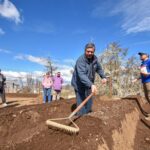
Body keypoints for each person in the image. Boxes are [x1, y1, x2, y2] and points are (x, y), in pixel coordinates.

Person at [71, 43, 107, 116]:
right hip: (79, 84)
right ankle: (81, 117)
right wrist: (91, 85)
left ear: (94, 52)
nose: (90, 53)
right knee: (81, 100)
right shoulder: (80, 60)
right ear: (85, 51)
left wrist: (103, 77)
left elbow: (99, 69)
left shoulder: (95, 60)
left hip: (89, 83)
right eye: (88, 51)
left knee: (89, 100)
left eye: (91, 52)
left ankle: (88, 114)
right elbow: (81, 75)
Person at [132, 52, 150, 120]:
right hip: (144, 82)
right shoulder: (142, 63)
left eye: (141, 55)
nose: (140, 56)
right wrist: (136, 79)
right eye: (140, 55)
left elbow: (146, 73)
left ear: (146, 55)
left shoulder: (149, 61)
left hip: (149, 82)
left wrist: (147, 74)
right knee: (147, 97)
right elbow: (142, 74)